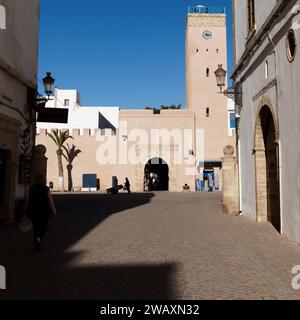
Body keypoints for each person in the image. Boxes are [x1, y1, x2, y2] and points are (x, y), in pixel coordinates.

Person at [27, 175, 56, 250]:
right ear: (43, 180)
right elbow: (50, 201)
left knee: (36, 228)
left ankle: (37, 241)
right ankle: (38, 240)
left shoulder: (32, 189)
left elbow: (29, 201)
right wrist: (53, 210)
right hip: (44, 212)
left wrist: (27, 212)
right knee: (43, 228)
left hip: (34, 211)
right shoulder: (46, 189)